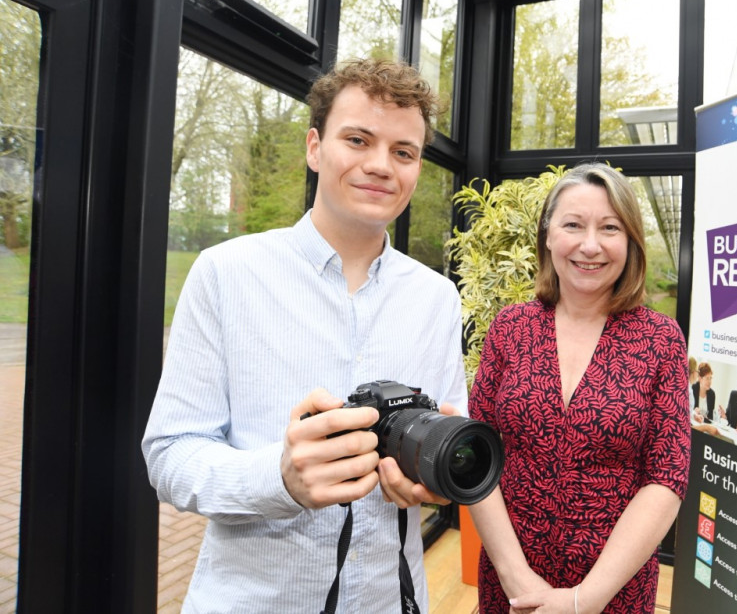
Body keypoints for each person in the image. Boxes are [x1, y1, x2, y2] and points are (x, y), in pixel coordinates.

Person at [141, 58, 468, 613]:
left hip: (391, 600)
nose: (381, 166)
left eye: (403, 152)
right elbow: (170, 455)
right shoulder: (226, 274)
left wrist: (438, 479)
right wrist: (279, 478)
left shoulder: (437, 297)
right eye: (358, 139)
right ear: (314, 147)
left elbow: (447, 430)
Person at [468, 163, 691, 614]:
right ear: (548, 235)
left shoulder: (661, 339)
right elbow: (476, 455)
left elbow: (666, 477)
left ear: (629, 242)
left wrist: (581, 601)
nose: (590, 245)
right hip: (511, 582)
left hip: (612, 590)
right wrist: (518, 581)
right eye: (573, 225)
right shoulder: (510, 328)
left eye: (609, 228)